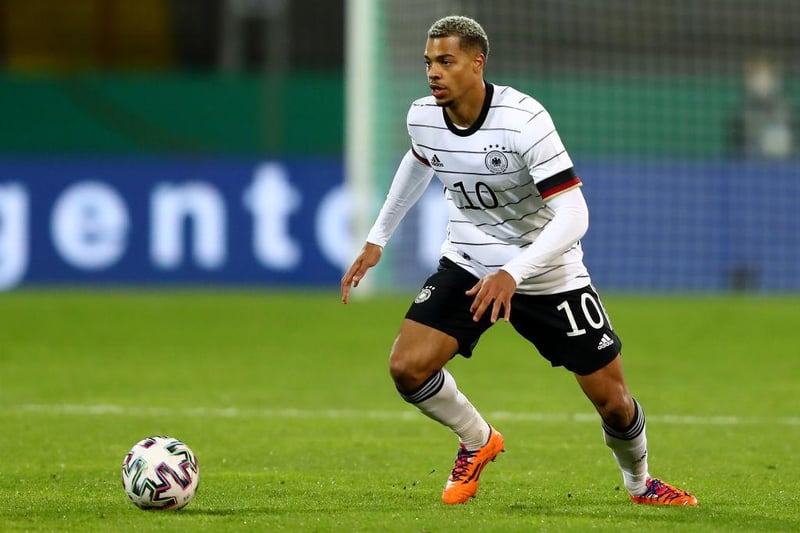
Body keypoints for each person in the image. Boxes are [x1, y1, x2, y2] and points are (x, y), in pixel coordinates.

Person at [341, 15, 697, 507]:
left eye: (446, 61)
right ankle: (477, 440)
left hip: (547, 272)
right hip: (469, 262)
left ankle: (641, 484)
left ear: (477, 62)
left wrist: (515, 272)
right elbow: (419, 160)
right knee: (407, 368)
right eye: (429, 63)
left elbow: (574, 213)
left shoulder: (523, 120)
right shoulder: (423, 116)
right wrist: (378, 238)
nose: (433, 73)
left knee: (614, 403)